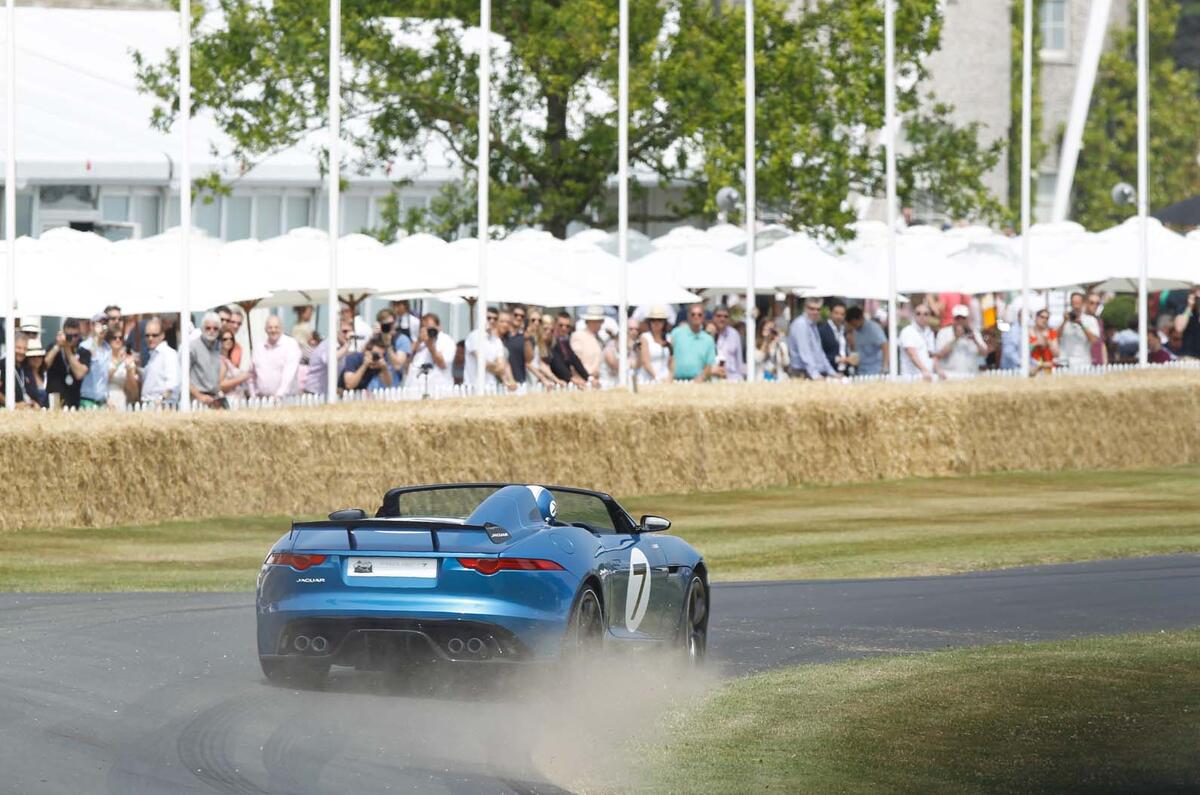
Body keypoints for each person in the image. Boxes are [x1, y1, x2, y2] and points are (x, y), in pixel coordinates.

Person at [44, 318, 92, 409]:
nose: (73, 339)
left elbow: (79, 374)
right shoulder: (54, 346)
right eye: (69, 336)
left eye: (76, 336)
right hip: (55, 397)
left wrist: (67, 350)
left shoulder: (83, 350)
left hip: (74, 399)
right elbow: (44, 366)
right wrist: (58, 346)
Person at [251, 315, 303, 398]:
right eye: (270, 327)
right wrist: (253, 394)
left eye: (276, 327)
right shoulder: (259, 347)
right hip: (262, 399)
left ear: (282, 329)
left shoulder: (291, 344)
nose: (273, 330)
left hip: (286, 398)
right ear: (265, 329)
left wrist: (279, 394)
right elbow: (251, 374)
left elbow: (289, 373)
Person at [464, 307, 516, 390]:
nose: (492, 321)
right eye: (488, 318)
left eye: (495, 318)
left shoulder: (496, 340)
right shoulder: (474, 336)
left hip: (491, 387)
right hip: (473, 386)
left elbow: (502, 366)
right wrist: (495, 366)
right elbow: (482, 362)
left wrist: (492, 366)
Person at [787, 298, 836, 380]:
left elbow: (820, 353)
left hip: (812, 372)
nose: (815, 312)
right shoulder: (801, 325)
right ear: (805, 308)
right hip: (802, 373)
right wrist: (816, 375)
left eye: (818, 309)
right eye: (812, 309)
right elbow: (805, 354)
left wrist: (832, 372)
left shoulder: (812, 325)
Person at [408, 313, 458, 393]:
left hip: (440, 390)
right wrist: (418, 341)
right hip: (417, 389)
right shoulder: (420, 342)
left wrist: (430, 345)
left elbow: (443, 364)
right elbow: (407, 360)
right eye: (425, 328)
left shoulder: (446, 341)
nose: (428, 331)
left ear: (439, 327)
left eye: (431, 328)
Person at [670, 303, 717, 382]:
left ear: (703, 317)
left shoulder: (708, 339)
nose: (696, 317)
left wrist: (701, 378)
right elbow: (670, 358)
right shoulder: (676, 333)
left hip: (698, 382)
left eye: (699, 315)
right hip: (676, 381)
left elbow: (709, 364)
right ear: (688, 316)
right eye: (693, 314)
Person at [934, 304, 986, 376]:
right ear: (953, 319)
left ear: (967, 319)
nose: (960, 320)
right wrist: (956, 338)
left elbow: (985, 353)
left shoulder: (975, 333)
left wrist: (975, 341)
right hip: (950, 375)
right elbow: (939, 355)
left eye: (963, 318)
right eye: (957, 318)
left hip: (971, 375)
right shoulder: (943, 332)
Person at [304, 319, 351, 395]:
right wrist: (346, 347)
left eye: (350, 332)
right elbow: (330, 360)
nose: (348, 335)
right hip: (313, 393)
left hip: (325, 393)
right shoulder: (329, 344)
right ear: (336, 331)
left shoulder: (341, 348)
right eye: (344, 331)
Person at [189, 312, 226, 408]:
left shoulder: (218, 347)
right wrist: (199, 396)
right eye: (208, 328)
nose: (212, 331)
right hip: (196, 399)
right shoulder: (192, 347)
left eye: (215, 328)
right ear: (202, 328)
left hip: (214, 398)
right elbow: (183, 377)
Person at [898, 305, 945, 381]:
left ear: (929, 316)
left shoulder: (929, 332)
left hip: (927, 377)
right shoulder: (908, 331)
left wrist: (938, 370)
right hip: (911, 378)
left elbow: (932, 355)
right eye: (918, 313)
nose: (922, 316)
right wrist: (924, 370)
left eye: (925, 314)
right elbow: (911, 354)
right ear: (914, 315)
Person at [139, 317, 180, 404]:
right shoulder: (153, 354)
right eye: (147, 335)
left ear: (162, 335)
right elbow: (151, 379)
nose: (150, 338)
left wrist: (161, 399)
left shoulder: (169, 354)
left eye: (154, 335)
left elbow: (173, 383)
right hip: (149, 404)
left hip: (163, 405)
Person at [78, 311, 113, 409]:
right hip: (87, 398)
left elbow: (105, 377)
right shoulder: (84, 346)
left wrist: (107, 396)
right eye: (98, 324)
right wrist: (95, 339)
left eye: (104, 324)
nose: (102, 328)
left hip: (102, 400)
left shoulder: (107, 349)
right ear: (92, 326)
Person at [1059, 291, 1100, 369]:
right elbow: (1055, 337)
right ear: (1071, 303)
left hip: (1084, 363)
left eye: (1078, 303)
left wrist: (1081, 325)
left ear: (1083, 303)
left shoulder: (1090, 320)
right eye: (1074, 303)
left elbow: (1094, 340)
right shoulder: (1065, 319)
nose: (1076, 306)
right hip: (1065, 362)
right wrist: (1064, 321)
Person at [548, 311, 590, 387]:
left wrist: (589, 378)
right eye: (561, 325)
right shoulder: (550, 341)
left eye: (567, 326)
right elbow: (557, 363)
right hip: (554, 382)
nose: (564, 328)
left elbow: (575, 360)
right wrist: (572, 379)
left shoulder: (565, 341)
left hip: (565, 382)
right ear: (554, 324)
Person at [524, 310, 562, 387]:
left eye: (539, 320)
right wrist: (543, 378)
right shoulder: (525, 338)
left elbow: (541, 364)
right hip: (527, 379)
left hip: (536, 378)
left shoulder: (537, 340)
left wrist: (555, 380)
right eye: (533, 320)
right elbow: (527, 363)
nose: (537, 322)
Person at [845, 305, 886, 377]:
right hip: (861, 370)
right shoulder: (855, 330)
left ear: (860, 318)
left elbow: (885, 346)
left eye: (854, 323)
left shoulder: (873, 329)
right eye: (851, 324)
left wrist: (884, 368)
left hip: (875, 371)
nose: (853, 326)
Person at [0, 337, 40, 408]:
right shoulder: (2, 365)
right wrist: (14, 405)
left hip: (26, 413)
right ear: (11, 347)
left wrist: (34, 404)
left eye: (25, 349)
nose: (22, 351)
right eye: (18, 348)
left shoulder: (26, 367)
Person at [638, 306, 673, 384]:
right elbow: (645, 361)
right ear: (649, 322)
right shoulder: (644, 337)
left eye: (660, 320)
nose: (656, 323)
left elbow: (672, 360)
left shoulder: (669, 338)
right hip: (647, 378)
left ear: (664, 322)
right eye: (653, 320)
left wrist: (670, 376)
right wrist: (656, 377)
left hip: (665, 378)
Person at [817, 300, 852, 375]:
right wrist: (839, 359)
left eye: (842, 314)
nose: (839, 316)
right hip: (829, 372)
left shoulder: (844, 330)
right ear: (830, 313)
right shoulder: (822, 330)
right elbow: (819, 354)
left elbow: (843, 350)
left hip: (845, 372)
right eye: (836, 313)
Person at [570, 306, 607, 379]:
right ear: (589, 322)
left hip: (598, 377)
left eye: (601, 321)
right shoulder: (578, 336)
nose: (600, 324)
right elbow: (575, 360)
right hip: (584, 377)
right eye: (597, 321)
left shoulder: (600, 339)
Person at [107, 331, 139, 409]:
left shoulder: (128, 359)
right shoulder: (103, 357)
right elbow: (103, 379)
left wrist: (129, 371)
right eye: (114, 338)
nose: (118, 340)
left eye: (120, 338)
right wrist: (118, 362)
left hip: (121, 397)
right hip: (105, 396)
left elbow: (134, 391)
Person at [220, 327, 253, 400]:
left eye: (231, 338)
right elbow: (221, 385)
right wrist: (241, 378)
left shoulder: (228, 360)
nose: (229, 341)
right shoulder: (221, 361)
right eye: (225, 339)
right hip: (230, 400)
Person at [712, 306, 744, 381]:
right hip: (713, 377)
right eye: (719, 316)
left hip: (732, 377)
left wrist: (740, 377)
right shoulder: (707, 333)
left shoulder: (734, 334)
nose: (722, 319)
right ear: (713, 317)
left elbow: (739, 359)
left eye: (725, 316)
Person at [1029, 308, 1059, 375]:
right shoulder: (1028, 332)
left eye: (1046, 318)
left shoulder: (1051, 332)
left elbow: (1056, 354)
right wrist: (1035, 343)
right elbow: (1023, 352)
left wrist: (1048, 341)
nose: (1044, 320)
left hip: (1048, 367)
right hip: (1033, 368)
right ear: (1036, 317)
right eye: (1042, 317)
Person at [503, 305, 528, 385]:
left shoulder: (525, 337)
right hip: (502, 382)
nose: (519, 318)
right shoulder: (502, 335)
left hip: (520, 381)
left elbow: (529, 360)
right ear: (510, 315)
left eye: (522, 316)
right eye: (516, 315)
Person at [1173, 287, 1200, 358]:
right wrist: (1189, 306)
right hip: (1189, 355)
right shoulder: (1185, 307)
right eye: (1197, 297)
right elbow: (1179, 328)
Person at [1086, 292, 1108, 366]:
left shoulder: (1099, 321)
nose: (1095, 306)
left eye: (1097, 303)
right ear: (1086, 303)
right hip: (1086, 360)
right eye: (1091, 303)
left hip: (1099, 360)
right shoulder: (1081, 320)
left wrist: (1105, 361)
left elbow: (1102, 343)